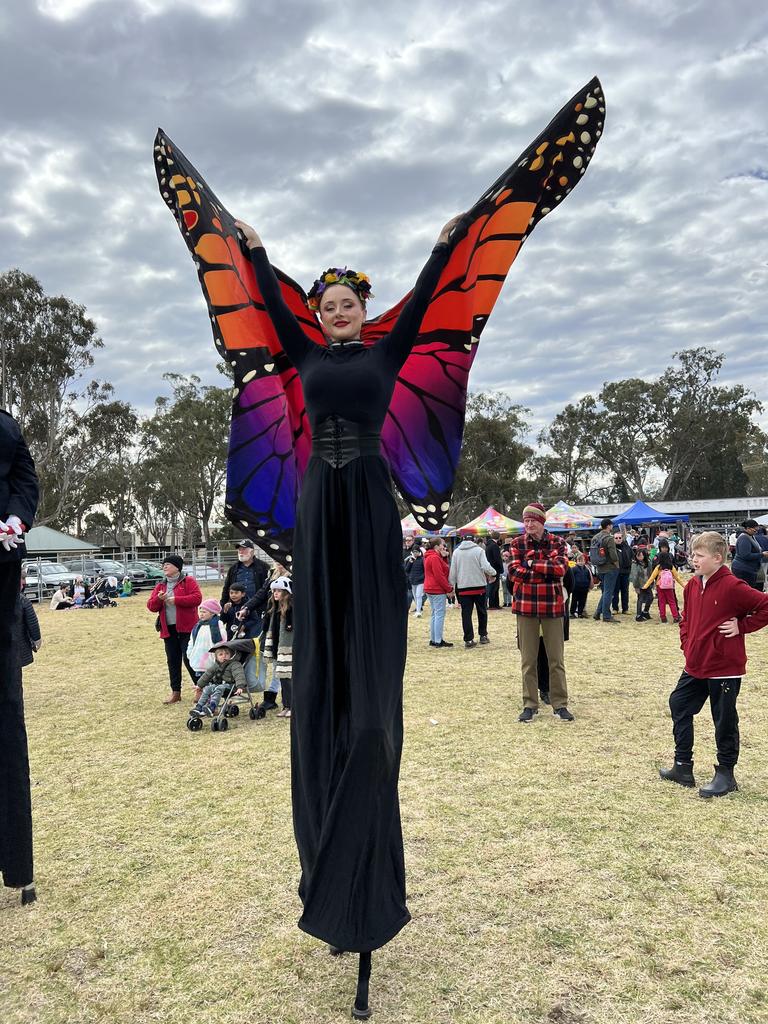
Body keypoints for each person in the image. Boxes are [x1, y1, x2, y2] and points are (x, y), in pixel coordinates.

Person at [235, 209, 461, 992]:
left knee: (371, 706)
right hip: (315, 506)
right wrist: (257, 254)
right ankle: (324, 871)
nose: (337, 312)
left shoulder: (388, 351)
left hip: (365, 498)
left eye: (349, 303)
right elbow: (266, 306)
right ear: (318, 314)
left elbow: (432, 300)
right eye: (328, 303)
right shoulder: (299, 350)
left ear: (365, 310)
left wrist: (441, 248)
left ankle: (367, 882)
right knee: (320, 693)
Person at [659, 531, 768, 798]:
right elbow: (686, 620)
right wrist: (687, 643)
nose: (693, 559)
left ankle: (726, 774)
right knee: (679, 704)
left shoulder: (733, 586)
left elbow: (765, 606)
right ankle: (683, 766)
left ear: (717, 558)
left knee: (724, 719)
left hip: (724, 668)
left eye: (699, 555)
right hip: (696, 664)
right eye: (693, 554)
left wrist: (742, 626)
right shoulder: (693, 585)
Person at [0, 409, 39, 906]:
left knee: (6, 720)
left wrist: (14, 518)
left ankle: (17, 863)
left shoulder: (6, 425)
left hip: (1, 569)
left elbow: (26, 479)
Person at [508, 502, 574, 722]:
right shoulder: (516, 543)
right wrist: (544, 570)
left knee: (556, 659)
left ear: (541, 522)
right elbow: (515, 573)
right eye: (525, 521)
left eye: (532, 521)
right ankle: (530, 704)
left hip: (553, 606)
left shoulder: (558, 542)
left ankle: (559, 704)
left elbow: (561, 569)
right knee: (528, 660)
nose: (528, 525)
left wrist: (531, 564)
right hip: (525, 607)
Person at [146, 555, 202, 704]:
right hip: (168, 629)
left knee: (189, 658)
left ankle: (200, 689)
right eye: (163, 564)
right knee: (172, 660)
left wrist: (176, 600)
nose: (164, 567)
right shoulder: (160, 585)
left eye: (168, 564)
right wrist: (159, 599)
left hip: (187, 628)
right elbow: (151, 606)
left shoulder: (188, 581)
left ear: (177, 567)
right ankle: (175, 692)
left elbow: (197, 598)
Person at [449, 533, 494, 648]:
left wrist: (451, 585)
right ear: (473, 540)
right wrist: (493, 573)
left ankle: (468, 639)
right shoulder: (479, 551)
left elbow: (453, 571)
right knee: (482, 612)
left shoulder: (456, 552)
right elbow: (485, 566)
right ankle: (483, 635)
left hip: (463, 587)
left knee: (466, 614)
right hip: (479, 586)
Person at [189, 640, 249, 718]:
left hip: (231, 688)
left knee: (219, 688)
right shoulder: (216, 665)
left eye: (227, 654)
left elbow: (239, 675)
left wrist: (240, 686)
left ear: (231, 655)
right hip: (219, 685)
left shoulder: (235, 664)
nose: (224, 656)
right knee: (207, 688)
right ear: (216, 657)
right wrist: (199, 685)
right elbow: (207, 674)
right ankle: (199, 707)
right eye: (221, 654)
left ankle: (212, 707)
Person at [262, 576, 294, 717]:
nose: (275, 593)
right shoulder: (273, 610)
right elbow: (267, 627)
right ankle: (286, 705)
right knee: (282, 677)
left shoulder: (291, 610)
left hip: (288, 650)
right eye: (274, 591)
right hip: (277, 648)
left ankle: (293, 706)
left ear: (286, 592)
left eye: (279, 591)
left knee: (289, 678)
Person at [186, 598, 224, 694]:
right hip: (199, 660)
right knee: (202, 681)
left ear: (212, 613)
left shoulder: (218, 625)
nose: (201, 614)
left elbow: (222, 641)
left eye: (204, 612)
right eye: (200, 611)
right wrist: (190, 653)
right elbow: (192, 641)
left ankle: (212, 703)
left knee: (213, 682)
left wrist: (218, 656)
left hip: (211, 660)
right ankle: (204, 699)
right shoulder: (198, 626)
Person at [220, 539, 269, 611]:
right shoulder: (233, 568)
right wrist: (223, 605)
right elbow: (226, 588)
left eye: (243, 549)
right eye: (239, 550)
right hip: (236, 608)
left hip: (257, 608)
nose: (241, 552)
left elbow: (266, 588)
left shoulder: (263, 567)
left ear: (252, 551)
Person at [643, 540, 685, 623]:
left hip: (660, 585)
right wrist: (684, 586)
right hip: (670, 585)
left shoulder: (658, 567)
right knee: (672, 601)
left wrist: (645, 586)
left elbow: (652, 577)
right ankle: (676, 616)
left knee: (661, 602)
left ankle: (663, 617)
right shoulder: (671, 567)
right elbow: (677, 577)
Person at [423, 537, 453, 648]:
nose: (444, 546)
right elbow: (440, 575)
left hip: (430, 588)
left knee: (435, 614)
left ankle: (434, 639)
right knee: (439, 614)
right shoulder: (434, 558)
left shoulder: (430, 556)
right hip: (436, 589)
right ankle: (438, 640)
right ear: (436, 546)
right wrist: (448, 589)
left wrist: (444, 557)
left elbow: (443, 569)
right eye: (442, 544)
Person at [591, 518, 620, 623]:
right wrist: (616, 564)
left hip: (600, 567)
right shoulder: (609, 538)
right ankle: (606, 616)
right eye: (611, 525)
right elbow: (613, 555)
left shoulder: (595, 537)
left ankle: (598, 612)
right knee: (608, 592)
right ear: (608, 526)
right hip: (610, 567)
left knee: (605, 591)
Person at [730, 520, 766, 590]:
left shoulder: (750, 536)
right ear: (748, 528)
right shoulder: (744, 538)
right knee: (746, 590)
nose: (757, 530)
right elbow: (745, 555)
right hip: (743, 569)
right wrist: (762, 555)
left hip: (748, 568)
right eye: (755, 528)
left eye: (757, 527)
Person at [611, 529, 632, 615]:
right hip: (615, 572)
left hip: (625, 572)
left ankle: (625, 608)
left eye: (620, 537)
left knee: (625, 591)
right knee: (615, 591)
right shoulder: (612, 548)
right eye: (616, 538)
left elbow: (631, 557)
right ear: (613, 539)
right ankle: (615, 608)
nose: (618, 539)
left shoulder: (627, 547)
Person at [630, 548, 653, 621]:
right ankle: (638, 615)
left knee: (650, 597)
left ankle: (645, 611)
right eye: (637, 555)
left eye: (640, 555)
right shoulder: (635, 564)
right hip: (640, 584)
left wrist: (652, 583)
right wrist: (636, 587)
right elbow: (634, 576)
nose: (639, 557)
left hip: (648, 583)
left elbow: (651, 573)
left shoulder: (648, 563)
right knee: (640, 599)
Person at [405, 543, 425, 617]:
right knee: (415, 596)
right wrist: (410, 562)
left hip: (420, 581)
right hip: (412, 581)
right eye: (414, 552)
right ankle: (418, 609)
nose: (415, 553)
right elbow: (406, 570)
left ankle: (418, 611)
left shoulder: (422, 559)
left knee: (418, 595)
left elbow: (425, 571)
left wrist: (422, 577)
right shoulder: (410, 560)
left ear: (419, 552)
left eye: (416, 551)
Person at [485, 532, 504, 609]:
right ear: (498, 537)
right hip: (495, 569)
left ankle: (495, 604)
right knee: (494, 587)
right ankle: (493, 604)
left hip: (490, 568)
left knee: (494, 587)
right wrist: (501, 568)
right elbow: (497, 559)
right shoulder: (494, 546)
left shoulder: (489, 545)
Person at [569, 554, 592, 618]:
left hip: (584, 588)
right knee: (574, 601)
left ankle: (580, 613)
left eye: (582, 561)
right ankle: (572, 613)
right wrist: (571, 587)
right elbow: (571, 578)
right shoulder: (573, 569)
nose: (581, 562)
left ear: (584, 561)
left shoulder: (587, 570)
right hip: (576, 588)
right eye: (579, 561)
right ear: (576, 561)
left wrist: (589, 586)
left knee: (582, 601)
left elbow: (589, 578)